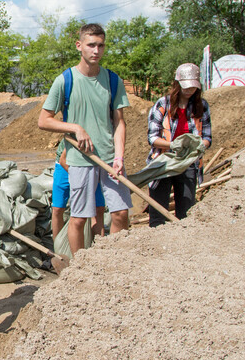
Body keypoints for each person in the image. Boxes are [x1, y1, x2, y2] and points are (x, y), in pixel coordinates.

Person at [38, 23, 132, 255]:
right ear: (79, 46)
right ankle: (80, 268)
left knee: (121, 213)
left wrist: (119, 156)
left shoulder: (112, 80)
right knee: (79, 218)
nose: (96, 50)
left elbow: (119, 122)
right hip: (80, 159)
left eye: (100, 45)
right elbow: (44, 120)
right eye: (91, 45)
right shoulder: (65, 80)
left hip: (109, 159)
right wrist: (75, 128)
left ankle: (116, 261)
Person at [146, 63, 212, 227]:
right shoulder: (163, 104)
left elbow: (207, 136)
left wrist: (199, 147)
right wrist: (172, 145)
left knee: (186, 214)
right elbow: (152, 138)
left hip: (188, 163)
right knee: (158, 213)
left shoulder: (201, 106)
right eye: (186, 86)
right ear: (177, 84)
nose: (190, 90)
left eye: (193, 87)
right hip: (163, 161)